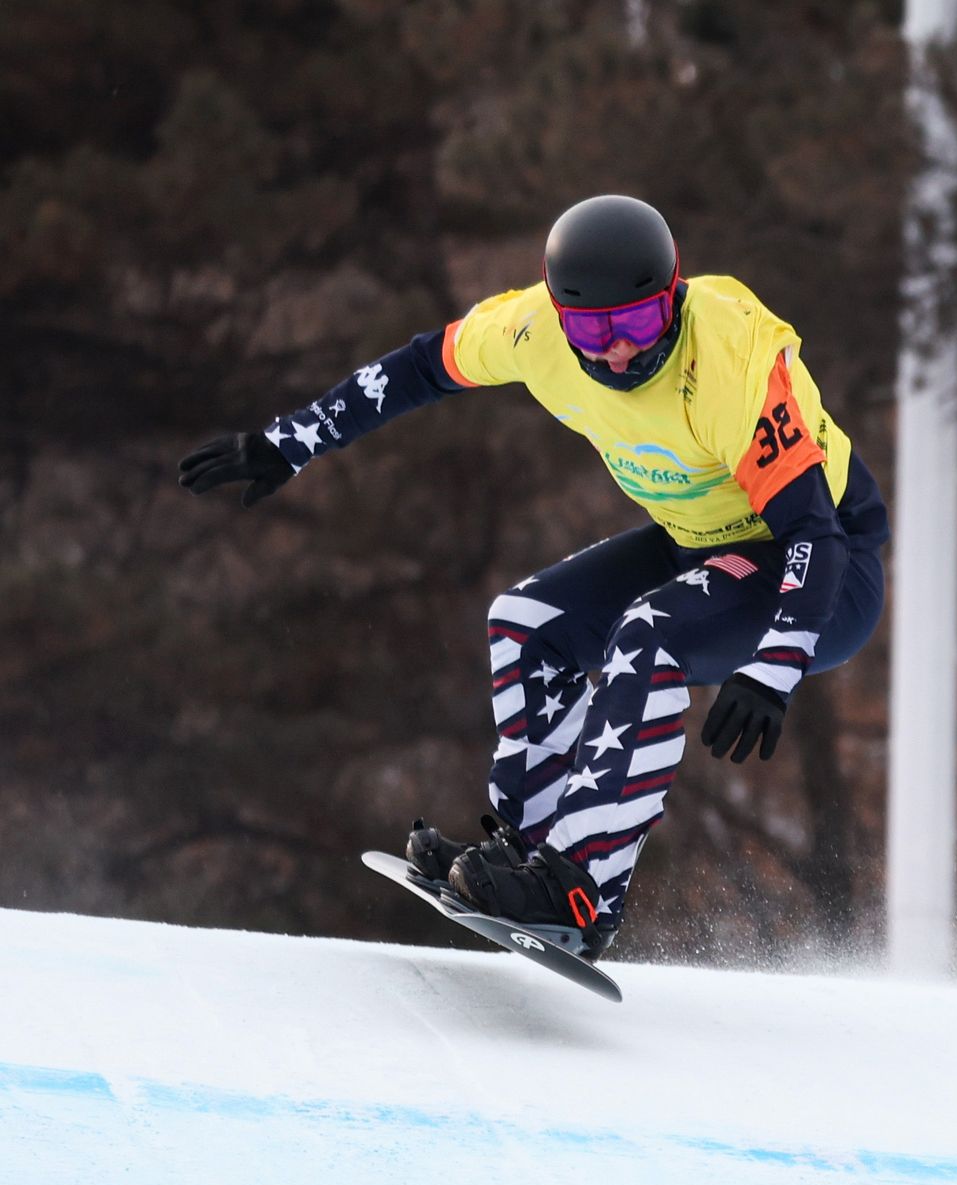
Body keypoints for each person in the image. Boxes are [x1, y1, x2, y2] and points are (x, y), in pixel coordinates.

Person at [178, 194, 890, 955]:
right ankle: (526, 849)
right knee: (524, 624)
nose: (617, 351)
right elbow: (419, 367)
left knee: (649, 637)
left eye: (640, 324)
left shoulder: (729, 363)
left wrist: (773, 670)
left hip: (820, 571)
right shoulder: (529, 330)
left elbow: (815, 532)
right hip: (699, 541)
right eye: (593, 329)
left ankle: (582, 889)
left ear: (675, 296)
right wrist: (292, 441)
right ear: (558, 316)